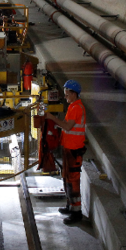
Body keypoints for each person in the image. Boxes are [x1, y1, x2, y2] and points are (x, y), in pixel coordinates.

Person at [45, 79, 86, 223]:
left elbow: (68, 127)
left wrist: (52, 118)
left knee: (73, 181)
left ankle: (76, 213)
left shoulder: (76, 108)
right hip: (69, 148)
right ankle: (70, 206)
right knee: (67, 178)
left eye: (67, 94)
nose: (65, 96)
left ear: (74, 93)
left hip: (74, 150)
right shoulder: (72, 106)